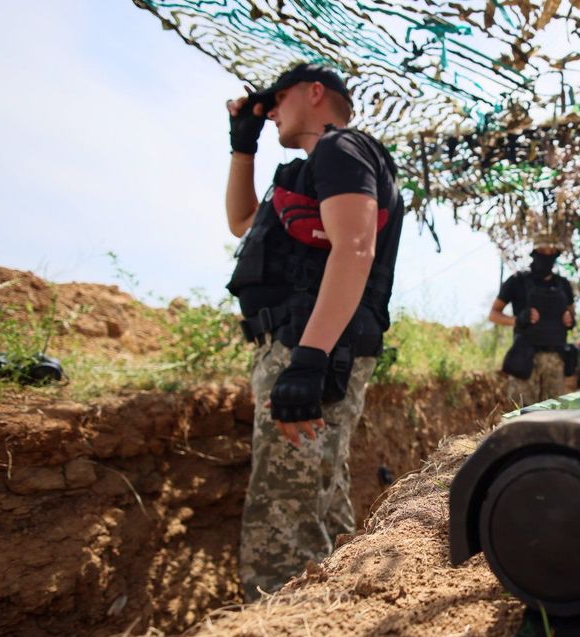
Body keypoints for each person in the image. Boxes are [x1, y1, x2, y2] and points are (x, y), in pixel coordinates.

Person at [224, 63, 404, 600]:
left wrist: (308, 359)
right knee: (314, 497)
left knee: (286, 516)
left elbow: (354, 245)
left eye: (278, 100)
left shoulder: (341, 149)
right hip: (309, 345)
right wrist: (243, 147)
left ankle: (291, 620)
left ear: (315, 93)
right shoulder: (311, 172)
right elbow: (241, 223)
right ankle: (340, 610)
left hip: (314, 346)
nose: (272, 111)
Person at [489, 238, 576, 405]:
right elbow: (493, 314)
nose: (547, 257)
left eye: (552, 253)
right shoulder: (517, 280)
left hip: (555, 359)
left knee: (553, 417)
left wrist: (570, 319)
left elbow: (571, 315)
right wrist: (517, 319)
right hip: (525, 358)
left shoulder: (563, 285)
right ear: (534, 253)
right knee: (522, 416)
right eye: (543, 252)